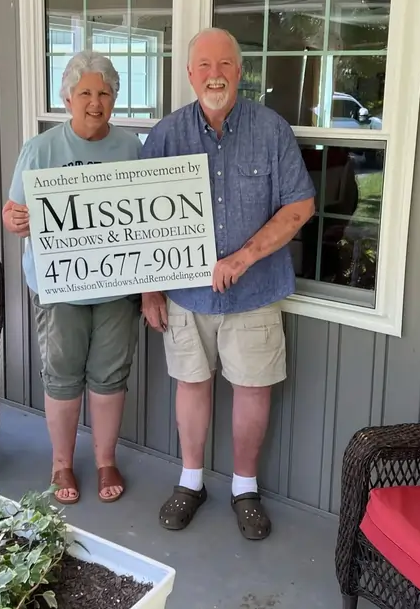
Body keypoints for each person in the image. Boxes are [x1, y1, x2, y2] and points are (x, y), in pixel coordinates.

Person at [139, 27, 316, 540]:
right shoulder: (167, 135)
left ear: (240, 72)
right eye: (203, 66)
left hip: (255, 292)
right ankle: (190, 481)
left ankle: (245, 488)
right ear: (190, 74)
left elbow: (300, 205)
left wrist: (245, 256)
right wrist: (151, 289)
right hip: (185, 292)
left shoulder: (271, 130)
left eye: (225, 65)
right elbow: (145, 221)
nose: (214, 75)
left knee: (252, 388)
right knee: (191, 384)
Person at [2, 50, 143, 506]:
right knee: (62, 374)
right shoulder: (40, 148)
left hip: (117, 282)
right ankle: (61, 461)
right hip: (59, 282)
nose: (96, 101)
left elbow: (144, 213)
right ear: (67, 98)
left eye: (105, 92)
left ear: (115, 98)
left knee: (110, 374)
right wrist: (15, 219)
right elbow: (11, 211)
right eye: (86, 92)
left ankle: (105, 460)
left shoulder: (130, 148)